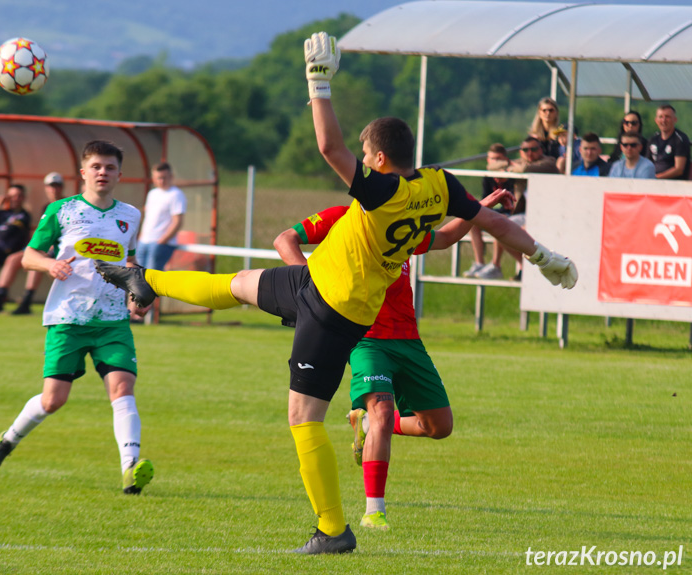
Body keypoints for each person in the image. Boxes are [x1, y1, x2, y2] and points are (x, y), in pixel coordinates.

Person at [95, 32, 577, 554]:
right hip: (313, 285)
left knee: (303, 419)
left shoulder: (382, 192)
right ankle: (148, 280)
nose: (362, 164)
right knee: (235, 285)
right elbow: (489, 222)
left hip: (332, 312)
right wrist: (545, 258)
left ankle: (333, 530)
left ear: (378, 158)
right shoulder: (438, 187)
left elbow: (329, 147)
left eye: (367, 157)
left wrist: (318, 81)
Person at [274, 188, 513, 530]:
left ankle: (368, 425)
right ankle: (374, 512)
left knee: (439, 427)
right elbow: (285, 240)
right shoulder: (341, 216)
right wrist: (317, 287)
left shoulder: (399, 225)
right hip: (364, 337)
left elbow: (444, 237)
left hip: (408, 339)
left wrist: (480, 207)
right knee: (383, 409)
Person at [0, 141, 155, 497]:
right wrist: (50, 264)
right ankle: (6, 441)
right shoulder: (62, 210)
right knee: (53, 400)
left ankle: (130, 470)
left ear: (120, 174)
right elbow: (28, 255)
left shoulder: (131, 215)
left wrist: (140, 291)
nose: (102, 172)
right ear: (83, 172)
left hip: (112, 321)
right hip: (67, 319)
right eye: (96, 166)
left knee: (122, 388)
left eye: (109, 167)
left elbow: (129, 261)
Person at [0, 172, 65, 315]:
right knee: (12, 259)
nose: (54, 189)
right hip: (44, 247)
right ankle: (0, 297)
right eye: (51, 186)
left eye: (57, 186)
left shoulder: (67, 206)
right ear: (46, 188)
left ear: (62, 188)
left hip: (58, 249)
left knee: (37, 261)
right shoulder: (46, 207)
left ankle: (27, 300)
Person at [476, 136, 558, 280]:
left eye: (533, 149)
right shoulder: (518, 163)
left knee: (519, 231)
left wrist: (510, 167)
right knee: (499, 226)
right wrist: (510, 165)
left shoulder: (549, 162)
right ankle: (523, 267)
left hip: (546, 213)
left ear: (541, 150)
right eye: (525, 150)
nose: (529, 153)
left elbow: (527, 168)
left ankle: (520, 268)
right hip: (524, 213)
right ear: (520, 152)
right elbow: (491, 166)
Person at [463, 144, 514, 278]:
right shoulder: (487, 176)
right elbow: (486, 200)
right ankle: (479, 264)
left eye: (498, 159)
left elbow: (515, 202)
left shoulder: (513, 176)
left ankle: (495, 266)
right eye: (492, 159)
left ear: (506, 160)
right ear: (487, 160)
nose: (495, 162)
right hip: (494, 212)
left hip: (509, 213)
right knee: (471, 221)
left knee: (499, 221)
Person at [136, 162, 186, 271]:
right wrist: (141, 237)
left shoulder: (176, 194)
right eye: (158, 178)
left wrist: (163, 240)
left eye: (164, 178)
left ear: (171, 177)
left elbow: (177, 222)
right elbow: (148, 218)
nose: (161, 181)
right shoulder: (152, 193)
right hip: (144, 241)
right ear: (153, 178)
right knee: (137, 276)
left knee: (152, 278)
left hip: (160, 243)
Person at [647, 104, 690, 180]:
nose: (663, 120)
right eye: (660, 117)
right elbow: (646, 163)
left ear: (675, 120)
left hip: (674, 185)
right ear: (656, 120)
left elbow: (679, 169)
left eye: (667, 117)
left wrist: (656, 177)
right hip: (653, 183)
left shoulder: (680, 139)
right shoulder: (653, 139)